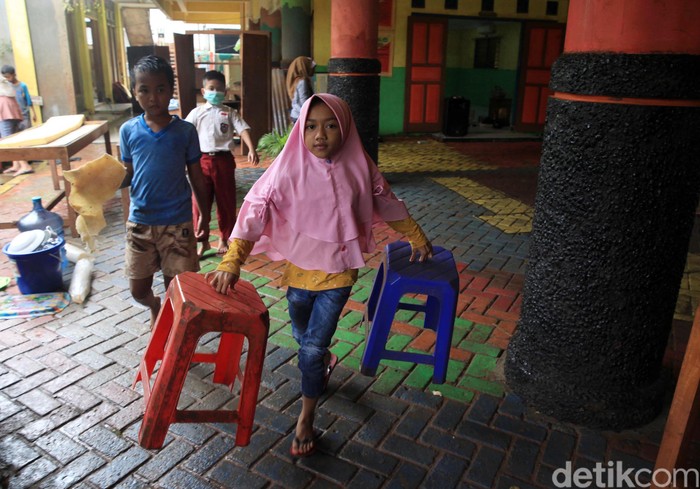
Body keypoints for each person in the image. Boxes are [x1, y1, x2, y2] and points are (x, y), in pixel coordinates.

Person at [205, 93, 433, 457]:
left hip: (339, 275)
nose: (320, 134)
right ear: (301, 129)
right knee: (300, 329)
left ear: (345, 129)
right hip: (298, 272)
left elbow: (386, 201)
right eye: (310, 126)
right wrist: (233, 259)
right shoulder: (288, 166)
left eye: (330, 125)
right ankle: (320, 362)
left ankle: (306, 418)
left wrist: (416, 234)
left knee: (310, 349)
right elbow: (256, 208)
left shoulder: (360, 166)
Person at [119, 55, 209, 327]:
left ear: (171, 91)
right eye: (144, 90)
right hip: (141, 224)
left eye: (160, 89)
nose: (153, 97)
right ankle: (152, 304)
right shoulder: (128, 131)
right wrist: (96, 186)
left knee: (178, 290)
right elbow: (127, 175)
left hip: (177, 223)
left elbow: (197, 176)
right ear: (135, 93)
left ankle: (170, 338)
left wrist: (204, 214)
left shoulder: (185, 131)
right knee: (138, 289)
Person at [185, 70, 260, 258]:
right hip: (200, 161)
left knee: (226, 201)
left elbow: (242, 130)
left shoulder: (230, 113)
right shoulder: (196, 113)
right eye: (211, 89)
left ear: (225, 92)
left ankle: (224, 238)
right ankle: (202, 241)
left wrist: (251, 148)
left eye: (219, 89)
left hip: (224, 161)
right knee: (199, 202)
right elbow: (184, 133)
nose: (215, 93)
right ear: (203, 91)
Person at [0, 76, 32, 175]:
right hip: (11, 107)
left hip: (4, 110)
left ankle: (25, 165)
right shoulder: (5, 83)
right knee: (14, 138)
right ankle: (16, 165)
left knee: (8, 141)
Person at [1, 65, 37, 131]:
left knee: (26, 132)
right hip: (14, 115)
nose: (7, 79)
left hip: (24, 115)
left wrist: (34, 113)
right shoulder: (7, 88)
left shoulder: (22, 86)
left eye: (8, 77)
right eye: (5, 77)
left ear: (14, 74)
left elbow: (28, 100)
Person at [286, 56, 315, 124]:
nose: (313, 69)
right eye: (310, 66)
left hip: (295, 114)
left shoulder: (295, 81)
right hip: (301, 116)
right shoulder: (302, 81)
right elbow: (304, 101)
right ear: (304, 66)